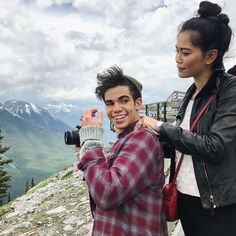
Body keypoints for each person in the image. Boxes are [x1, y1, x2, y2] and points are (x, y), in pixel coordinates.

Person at [137, 1, 236, 236]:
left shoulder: (229, 90)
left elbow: (216, 146)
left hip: (218, 209)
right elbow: (185, 144)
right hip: (186, 201)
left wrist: (161, 127)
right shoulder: (192, 92)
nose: (177, 58)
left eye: (185, 52)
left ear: (211, 56)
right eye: (176, 50)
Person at [76, 66, 167, 236]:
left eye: (123, 100)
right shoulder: (128, 138)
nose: (116, 108)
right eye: (110, 103)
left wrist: (91, 142)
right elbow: (103, 183)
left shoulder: (143, 139)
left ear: (137, 103)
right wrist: (84, 152)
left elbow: (107, 194)